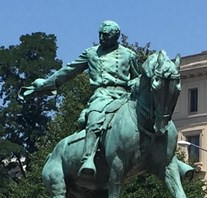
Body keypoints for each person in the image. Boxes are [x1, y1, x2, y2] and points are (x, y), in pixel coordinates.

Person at [22, 20, 140, 177]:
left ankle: (167, 158)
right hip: (102, 95)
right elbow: (69, 70)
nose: (101, 38)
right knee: (95, 117)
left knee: (149, 116)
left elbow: (138, 77)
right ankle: (88, 158)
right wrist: (45, 84)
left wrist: (134, 82)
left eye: (105, 35)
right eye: (100, 34)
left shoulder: (128, 54)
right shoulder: (91, 53)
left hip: (124, 95)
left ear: (115, 36)